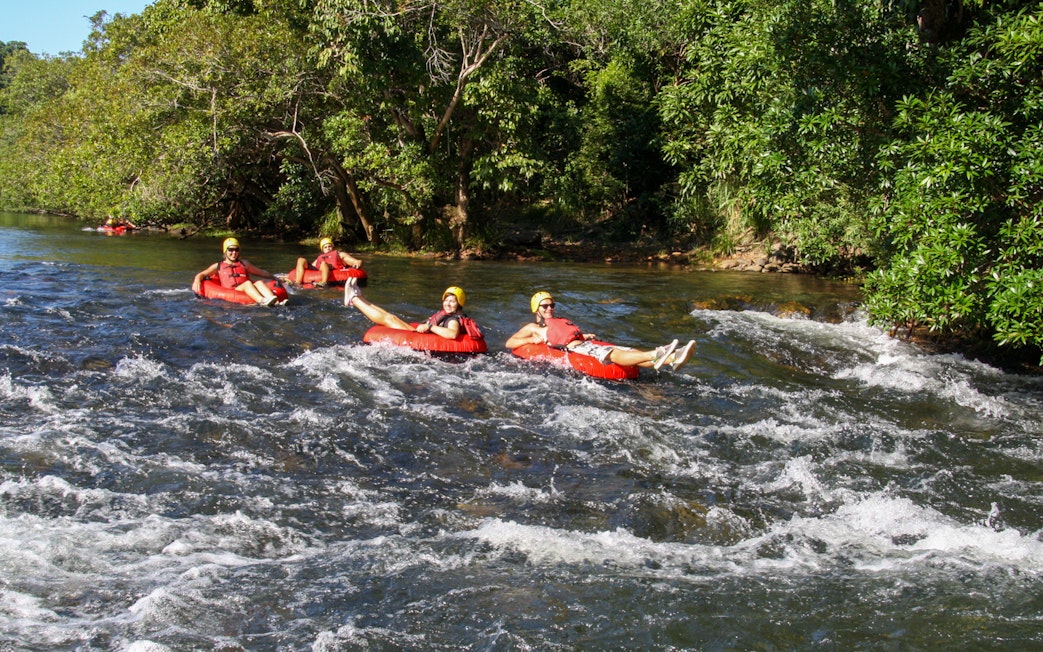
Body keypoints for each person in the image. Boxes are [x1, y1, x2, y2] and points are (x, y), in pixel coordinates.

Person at [505, 291, 695, 371]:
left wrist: (584, 335)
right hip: (574, 350)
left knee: (630, 351)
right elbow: (510, 342)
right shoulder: (533, 328)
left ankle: (672, 359)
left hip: (584, 344)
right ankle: (658, 352)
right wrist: (533, 341)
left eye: (551, 305)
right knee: (614, 354)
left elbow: (565, 334)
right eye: (544, 306)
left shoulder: (558, 322)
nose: (549, 308)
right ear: (536, 309)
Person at [344, 279, 467, 340]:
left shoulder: (453, 320)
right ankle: (358, 296)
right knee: (391, 317)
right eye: (446, 300)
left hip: (420, 338)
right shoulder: (456, 315)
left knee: (389, 319)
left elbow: (452, 334)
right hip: (421, 334)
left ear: (459, 303)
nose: (447, 304)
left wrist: (430, 327)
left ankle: (353, 300)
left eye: (452, 301)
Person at [192, 237, 280, 306]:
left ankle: (276, 302)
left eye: (236, 250)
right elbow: (202, 274)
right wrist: (197, 280)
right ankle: (262, 301)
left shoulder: (244, 263)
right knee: (248, 284)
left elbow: (261, 272)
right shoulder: (218, 266)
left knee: (259, 282)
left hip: (246, 289)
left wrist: (275, 277)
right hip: (232, 292)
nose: (234, 253)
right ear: (225, 251)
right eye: (230, 250)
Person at [292, 238, 362, 287]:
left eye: (329, 246)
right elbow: (312, 267)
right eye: (325, 247)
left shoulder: (340, 254)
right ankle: (298, 283)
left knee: (323, 263)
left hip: (332, 269)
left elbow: (356, 261)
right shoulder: (320, 257)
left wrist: (357, 263)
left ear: (333, 247)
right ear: (322, 249)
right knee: (301, 259)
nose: (328, 248)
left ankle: (323, 283)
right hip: (318, 270)